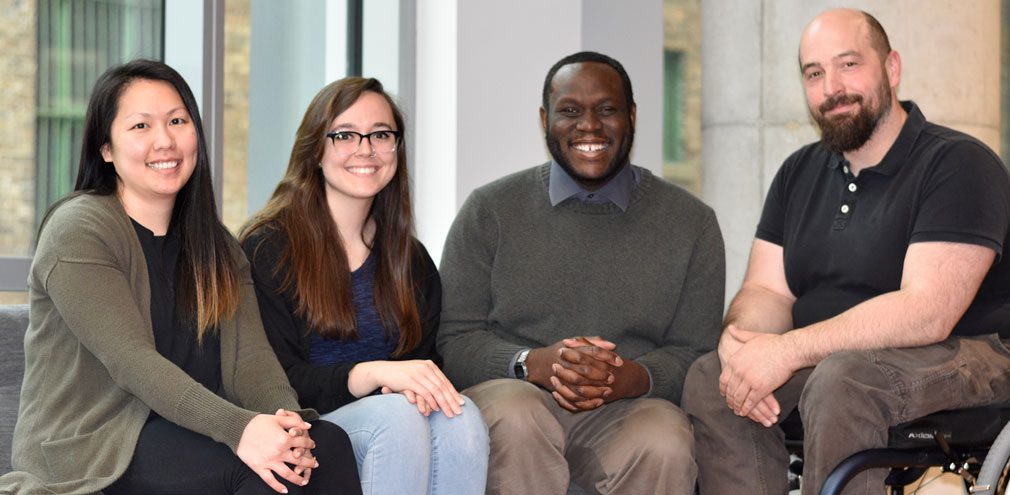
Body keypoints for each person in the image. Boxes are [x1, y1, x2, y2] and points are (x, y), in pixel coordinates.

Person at [681, 8, 1010, 495]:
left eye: (849, 64)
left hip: (972, 352)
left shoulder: (959, 164)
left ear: (891, 68)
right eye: (814, 73)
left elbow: (927, 312)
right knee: (713, 379)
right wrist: (739, 343)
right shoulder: (797, 172)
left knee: (842, 383)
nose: (831, 86)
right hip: (839, 360)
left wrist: (788, 350)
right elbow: (767, 289)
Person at [0, 60, 361, 495]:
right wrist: (241, 429)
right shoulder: (79, 230)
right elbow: (133, 362)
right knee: (255, 470)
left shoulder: (218, 246)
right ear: (106, 148)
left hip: (186, 435)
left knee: (329, 446)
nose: (165, 140)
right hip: (95, 448)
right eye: (140, 126)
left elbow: (252, 364)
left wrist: (289, 427)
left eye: (177, 121)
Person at [437, 51, 726, 495]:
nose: (588, 126)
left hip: (627, 409)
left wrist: (632, 376)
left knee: (665, 440)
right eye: (570, 111)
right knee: (518, 416)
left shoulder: (691, 222)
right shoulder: (489, 210)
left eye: (606, 110)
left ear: (631, 117)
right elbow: (454, 340)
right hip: (512, 395)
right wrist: (532, 364)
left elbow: (696, 351)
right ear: (544, 119)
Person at [241, 77, 489, 495]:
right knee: (397, 419)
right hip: (310, 428)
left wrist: (399, 383)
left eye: (380, 134)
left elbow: (422, 364)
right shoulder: (268, 247)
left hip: (393, 425)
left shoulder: (410, 259)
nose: (365, 149)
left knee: (460, 417)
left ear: (397, 148)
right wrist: (368, 375)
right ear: (314, 150)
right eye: (345, 135)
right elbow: (270, 381)